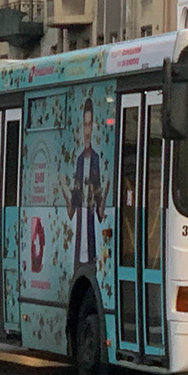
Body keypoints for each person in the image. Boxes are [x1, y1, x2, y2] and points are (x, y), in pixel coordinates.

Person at [66, 98, 108, 269]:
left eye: (90, 125)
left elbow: (99, 212)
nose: (87, 130)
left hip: (90, 235)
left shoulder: (97, 160)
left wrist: (105, 194)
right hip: (78, 235)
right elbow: (72, 209)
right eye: (85, 125)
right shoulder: (78, 161)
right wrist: (65, 193)